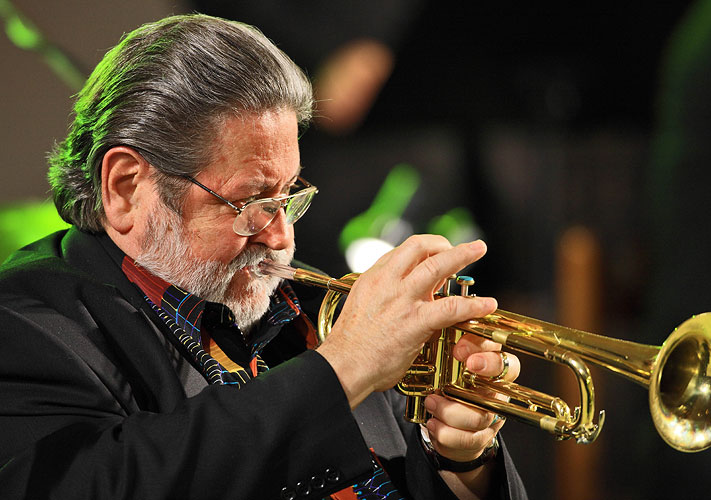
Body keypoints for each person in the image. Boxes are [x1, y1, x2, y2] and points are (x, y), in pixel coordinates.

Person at [0, 14, 526, 500]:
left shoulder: (319, 302)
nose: (280, 237)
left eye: (289, 198)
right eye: (252, 203)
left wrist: (461, 459)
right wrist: (346, 366)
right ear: (126, 187)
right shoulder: (24, 324)